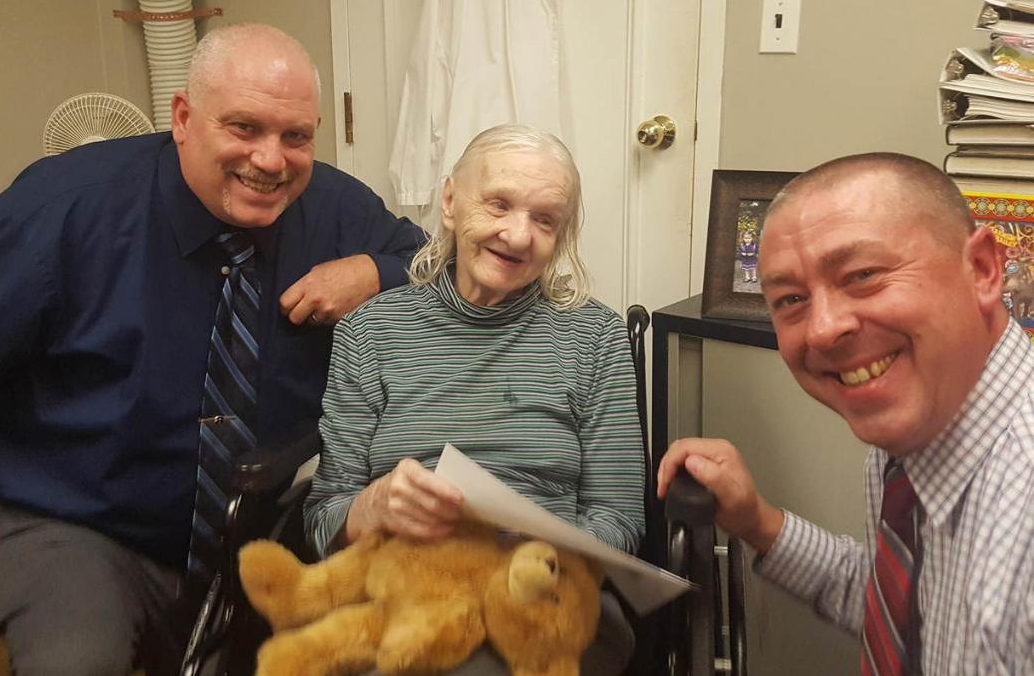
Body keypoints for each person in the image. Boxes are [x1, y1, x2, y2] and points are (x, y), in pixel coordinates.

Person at [0, 23, 424, 676]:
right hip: (80, 523)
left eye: (295, 135)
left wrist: (372, 272)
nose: (271, 160)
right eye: (244, 127)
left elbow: (432, 262)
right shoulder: (60, 212)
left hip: (262, 523)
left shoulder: (334, 209)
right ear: (183, 117)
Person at [658, 153, 1034, 675]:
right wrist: (756, 521)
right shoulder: (914, 439)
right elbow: (910, 608)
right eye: (791, 299)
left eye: (862, 275)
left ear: (983, 270)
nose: (822, 329)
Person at [304, 124, 645, 674]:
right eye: (499, 204)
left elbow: (618, 518)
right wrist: (370, 507)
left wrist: (541, 563)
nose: (517, 235)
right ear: (450, 203)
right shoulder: (371, 332)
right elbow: (324, 519)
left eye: (544, 219)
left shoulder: (593, 338)